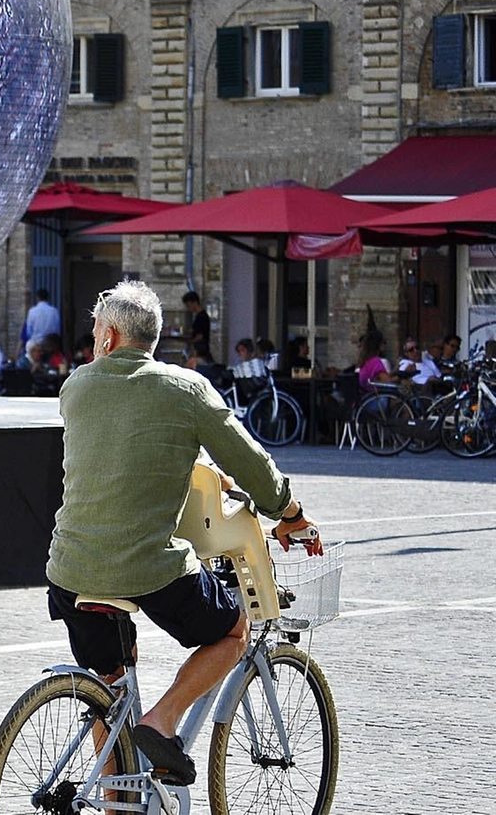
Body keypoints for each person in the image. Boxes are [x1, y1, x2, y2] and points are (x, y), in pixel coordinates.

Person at [46, 280, 321, 787]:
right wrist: (289, 510)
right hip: (148, 567)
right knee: (235, 631)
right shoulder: (184, 389)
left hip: (69, 570)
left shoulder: (77, 386)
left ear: (107, 338)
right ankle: (163, 721)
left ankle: (114, 797)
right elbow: (249, 460)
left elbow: (122, 446)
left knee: (108, 683)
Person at [22, 287, 62, 356]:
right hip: (50, 345)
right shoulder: (54, 311)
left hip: (36, 346)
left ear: (37, 298)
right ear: (48, 298)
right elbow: (57, 330)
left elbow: (29, 331)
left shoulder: (32, 311)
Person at [181, 291, 211, 364]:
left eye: (189, 305)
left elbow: (200, 335)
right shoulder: (198, 316)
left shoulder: (202, 317)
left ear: (195, 302)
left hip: (200, 350)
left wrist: (190, 342)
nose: (188, 308)